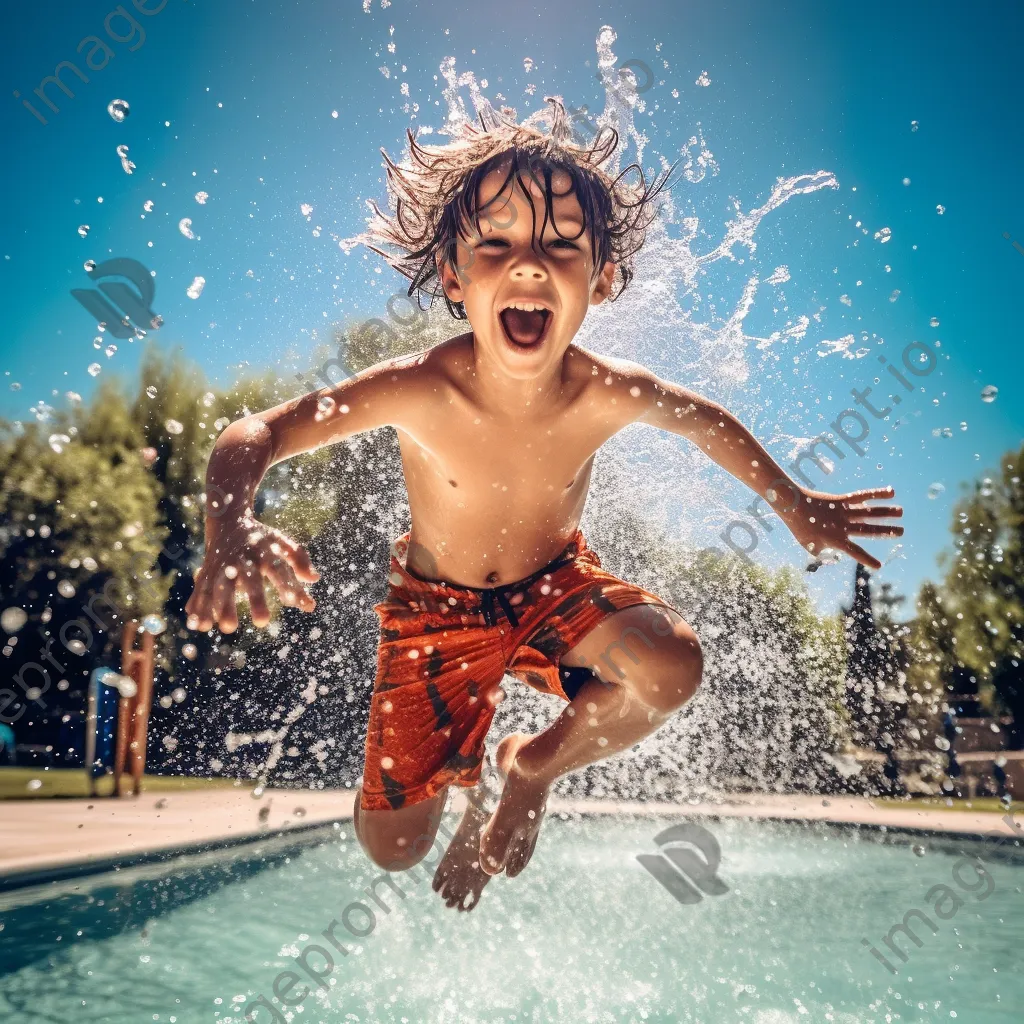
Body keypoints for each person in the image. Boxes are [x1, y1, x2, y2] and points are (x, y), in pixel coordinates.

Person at [185, 99, 903, 912]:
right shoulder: (421, 386)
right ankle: (451, 782)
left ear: (600, 279)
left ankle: (527, 767)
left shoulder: (606, 390)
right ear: (454, 277)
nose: (528, 264)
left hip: (554, 588)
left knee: (672, 663)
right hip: (435, 616)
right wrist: (230, 523)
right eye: (495, 242)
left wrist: (795, 504)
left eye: (560, 246)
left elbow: (704, 421)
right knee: (394, 851)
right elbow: (257, 430)